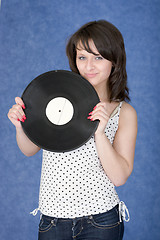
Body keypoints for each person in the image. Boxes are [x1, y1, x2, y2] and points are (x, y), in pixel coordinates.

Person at [8, 20, 137, 240]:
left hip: (101, 220)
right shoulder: (55, 99)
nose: (89, 66)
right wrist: (21, 126)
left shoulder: (124, 112)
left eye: (98, 57)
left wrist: (99, 132)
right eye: (82, 57)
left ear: (114, 60)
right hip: (52, 220)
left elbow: (119, 177)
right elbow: (29, 150)